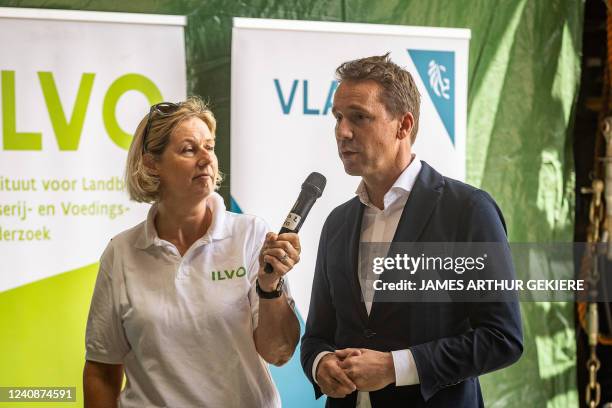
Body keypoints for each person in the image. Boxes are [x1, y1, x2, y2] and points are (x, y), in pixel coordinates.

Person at [300, 54, 523, 407]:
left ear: (403, 125)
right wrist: (320, 364)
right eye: (339, 118)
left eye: (359, 117)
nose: (342, 131)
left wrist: (396, 366)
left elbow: (502, 337)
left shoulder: (468, 210)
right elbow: (316, 337)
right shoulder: (337, 223)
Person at [83, 97, 300, 408]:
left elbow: (279, 353)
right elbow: (101, 370)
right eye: (189, 149)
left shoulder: (250, 234)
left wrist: (270, 288)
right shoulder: (122, 253)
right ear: (151, 163)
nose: (206, 158)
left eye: (209, 147)